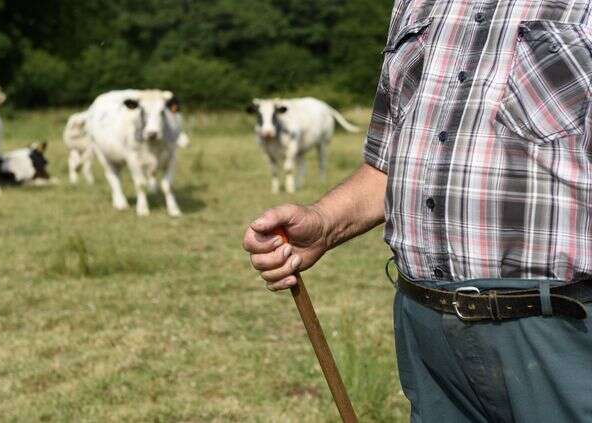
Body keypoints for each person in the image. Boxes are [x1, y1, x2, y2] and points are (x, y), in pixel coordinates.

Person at [243, 1, 592, 421]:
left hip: (561, 330)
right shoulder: (416, 5)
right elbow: (388, 162)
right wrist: (323, 223)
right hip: (428, 335)